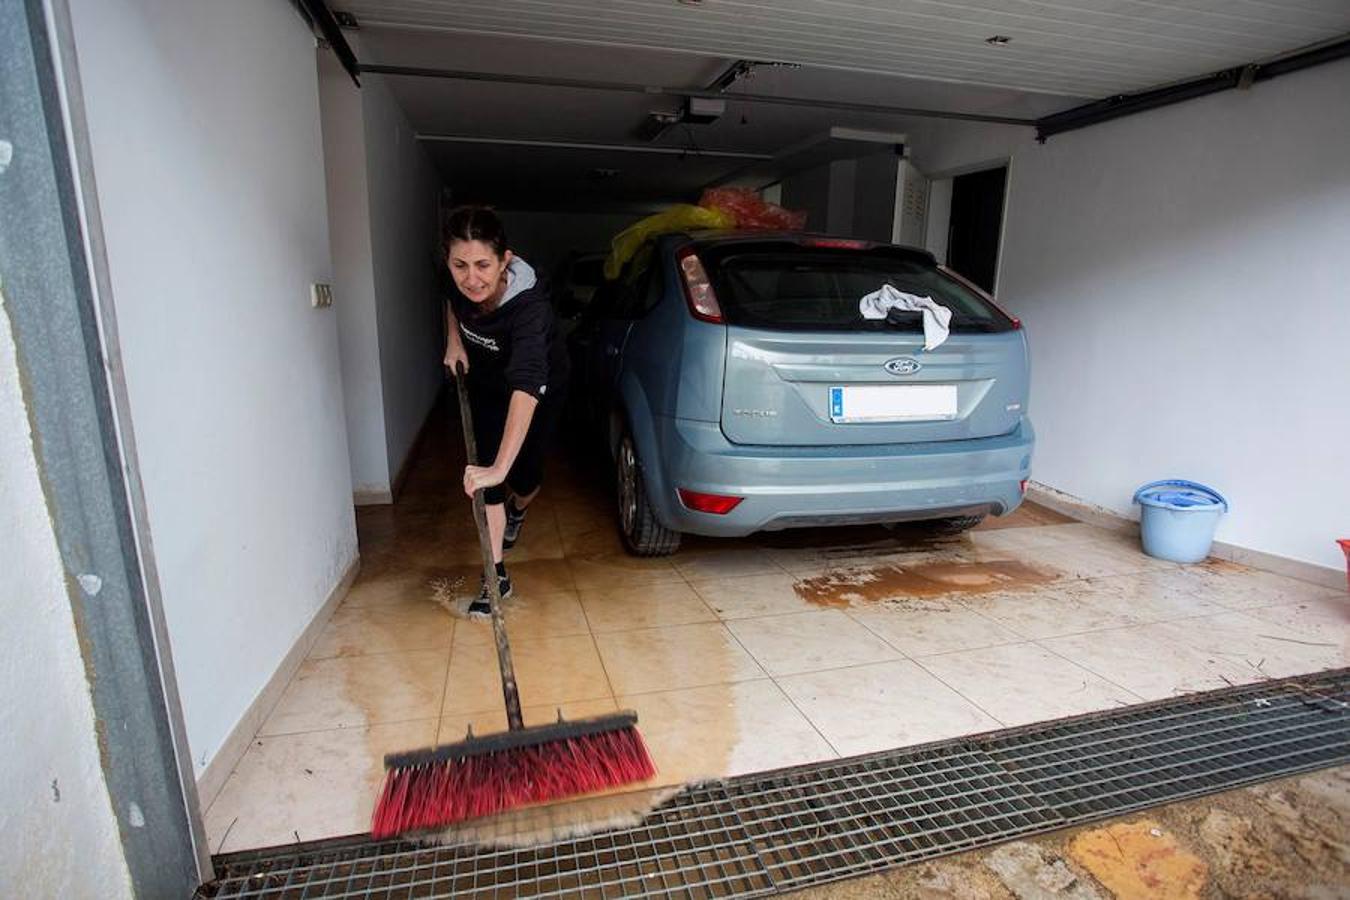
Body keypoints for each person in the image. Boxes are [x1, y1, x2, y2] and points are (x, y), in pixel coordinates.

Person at [442, 206, 570, 617]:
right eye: (460, 265)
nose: (471, 278)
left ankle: (518, 510)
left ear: (505, 261)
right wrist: (455, 340)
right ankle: (495, 572)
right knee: (486, 478)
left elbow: (527, 383)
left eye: (483, 265)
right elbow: (451, 298)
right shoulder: (455, 279)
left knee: (524, 475)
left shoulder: (530, 308)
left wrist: (502, 466)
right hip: (487, 382)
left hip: (539, 389)